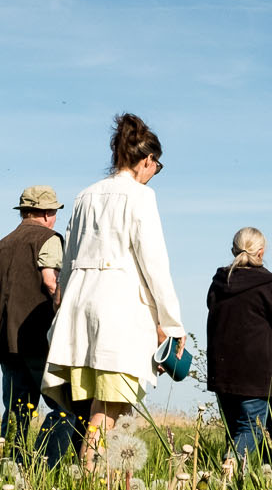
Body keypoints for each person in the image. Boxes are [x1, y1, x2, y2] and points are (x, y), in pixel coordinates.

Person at [42, 113, 185, 467]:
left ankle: (89, 479)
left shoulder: (84, 196)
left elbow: (70, 256)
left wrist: (62, 306)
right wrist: (173, 324)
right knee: (106, 410)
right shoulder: (141, 197)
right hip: (117, 308)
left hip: (79, 303)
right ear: (147, 160)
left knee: (95, 404)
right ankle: (91, 485)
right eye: (156, 165)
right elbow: (154, 264)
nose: (155, 172)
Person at [0, 184, 69, 461]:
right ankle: (43, 466)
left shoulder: (1, 246)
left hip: (8, 347)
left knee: (17, 416)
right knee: (66, 409)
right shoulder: (50, 239)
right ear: (46, 212)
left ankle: (11, 474)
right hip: (42, 345)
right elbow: (51, 283)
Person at [205, 227, 272, 458]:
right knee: (251, 429)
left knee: (235, 429)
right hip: (256, 372)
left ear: (233, 249)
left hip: (221, 368)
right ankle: (229, 468)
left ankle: (229, 485)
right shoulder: (270, 286)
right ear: (261, 252)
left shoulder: (219, 283)